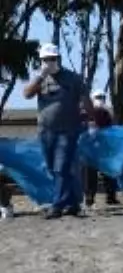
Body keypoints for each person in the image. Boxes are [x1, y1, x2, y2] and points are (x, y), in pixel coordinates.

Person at [21, 43, 94, 218]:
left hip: (68, 130)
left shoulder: (73, 78)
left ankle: (57, 205)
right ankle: (74, 203)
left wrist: (90, 118)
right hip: (45, 131)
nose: (49, 62)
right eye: (45, 59)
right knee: (55, 169)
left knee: (61, 167)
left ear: (58, 59)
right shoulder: (40, 78)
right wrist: (40, 76)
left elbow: (85, 99)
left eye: (52, 59)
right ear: (41, 61)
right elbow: (27, 94)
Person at [85, 91, 120, 207]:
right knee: (90, 174)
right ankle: (89, 198)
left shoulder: (108, 112)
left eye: (103, 97)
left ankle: (111, 197)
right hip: (92, 147)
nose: (101, 99)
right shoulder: (88, 112)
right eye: (98, 97)